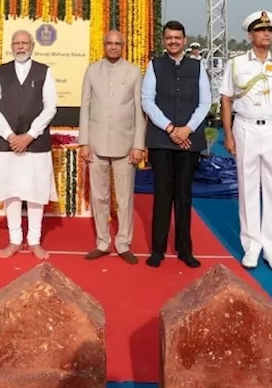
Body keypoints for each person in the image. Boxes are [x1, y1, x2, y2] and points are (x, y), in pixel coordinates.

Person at [220, 11, 272, 271]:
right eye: (261, 30)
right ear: (250, 35)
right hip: (246, 128)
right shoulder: (237, 63)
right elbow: (226, 99)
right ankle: (252, 246)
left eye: (270, 30)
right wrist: (228, 134)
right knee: (248, 187)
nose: (267, 34)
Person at [0, 29, 59, 258]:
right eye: (17, 43)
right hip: (7, 143)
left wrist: (30, 135)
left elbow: (50, 107)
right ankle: (14, 239)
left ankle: (34, 240)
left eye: (25, 43)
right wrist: (9, 135)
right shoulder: (1, 72)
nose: (21, 47)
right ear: (11, 46)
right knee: (11, 190)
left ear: (32, 46)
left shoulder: (44, 71)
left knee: (36, 191)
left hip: (35, 142)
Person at [143, 21, 210, 268]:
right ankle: (158, 250)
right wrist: (171, 129)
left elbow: (205, 102)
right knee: (162, 195)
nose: (173, 41)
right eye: (169, 38)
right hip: (162, 139)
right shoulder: (155, 65)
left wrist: (187, 129)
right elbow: (147, 100)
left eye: (177, 38)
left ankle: (185, 249)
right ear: (164, 41)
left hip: (189, 139)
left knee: (184, 195)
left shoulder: (198, 66)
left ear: (184, 39)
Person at [79, 29, 146, 263]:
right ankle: (102, 242)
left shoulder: (134, 72)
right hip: (96, 145)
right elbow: (85, 108)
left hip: (125, 145)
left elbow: (140, 111)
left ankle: (123, 243)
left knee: (125, 198)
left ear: (123, 45)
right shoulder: (92, 71)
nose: (114, 47)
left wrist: (139, 145)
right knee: (99, 196)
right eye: (110, 43)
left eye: (118, 43)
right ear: (104, 45)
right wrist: (84, 142)